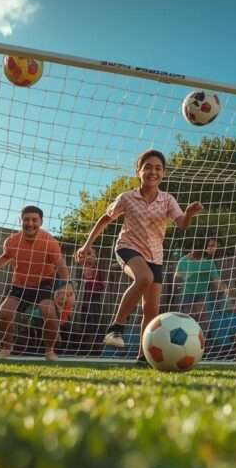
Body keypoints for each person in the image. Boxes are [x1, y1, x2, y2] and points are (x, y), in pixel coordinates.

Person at [76, 149, 204, 363]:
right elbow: (105, 219)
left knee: (151, 309)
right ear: (138, 171)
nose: (153, 172)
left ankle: (144, 356)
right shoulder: (126, 198)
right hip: (127, 248)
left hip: (155, 255)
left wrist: (189, 214)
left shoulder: (167, 200)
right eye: (148, 167)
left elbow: (182, 224)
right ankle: (115, 329)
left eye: (158, 168)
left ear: (163, 173)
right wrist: (87, 244)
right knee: (143, 278)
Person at [0, 205, 74, 361]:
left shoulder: (50, 242)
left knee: (48, 311)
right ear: (20, 221)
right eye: (26, 219)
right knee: (4, 312)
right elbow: (6, 256)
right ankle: (5, 349)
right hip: (20, 285)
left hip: (43, 283)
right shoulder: (11, 241)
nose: (30, 223)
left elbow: (61, 265)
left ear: (41, 222)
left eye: (34, 220)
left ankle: (50, 352)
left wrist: (67, 285)